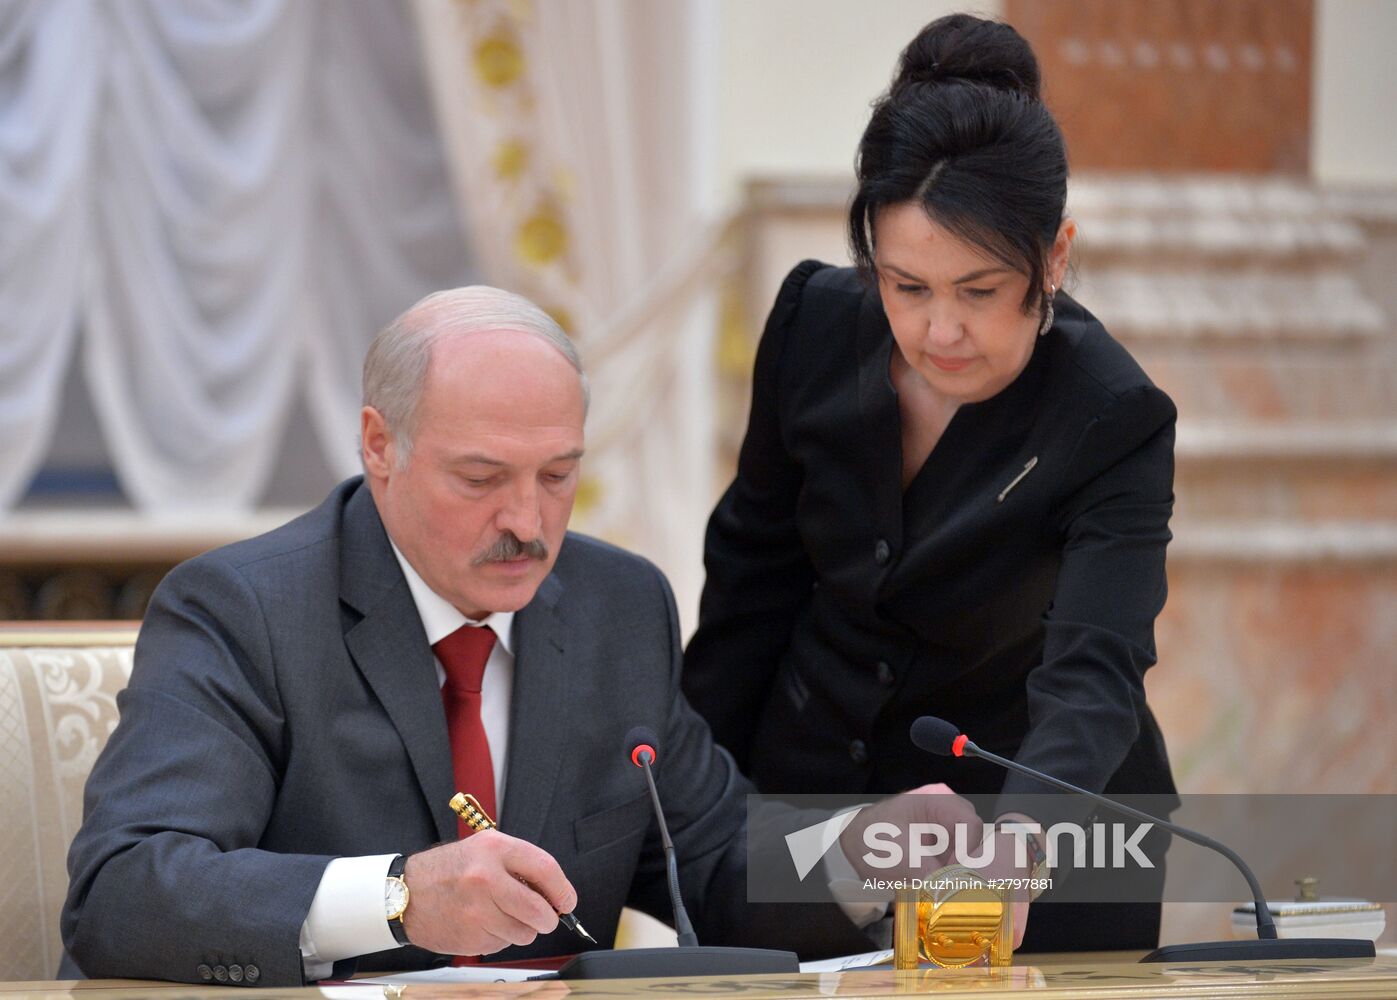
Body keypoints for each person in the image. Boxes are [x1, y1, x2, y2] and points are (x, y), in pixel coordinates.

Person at [60, 286, 884, 986]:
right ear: (379, 445)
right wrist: (397, 898)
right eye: (481, 478)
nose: (527, 522)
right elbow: (124, 890)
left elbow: (714, 857)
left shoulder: (618, 607)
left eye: (557, 475)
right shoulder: (243, 608)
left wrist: (886, 851)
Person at [682, 14, 1177, 952]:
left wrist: (1020, 843)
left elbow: (1094, 668)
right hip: (817, 798)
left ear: (1053, 257)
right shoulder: (811, 323)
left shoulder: (1111, 414)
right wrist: (697, 815)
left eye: (978, 291)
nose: (938, 331)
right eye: (905, 286)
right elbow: (749, 575)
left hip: (1032, 820)